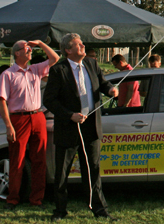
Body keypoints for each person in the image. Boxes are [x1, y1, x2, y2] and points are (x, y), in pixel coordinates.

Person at [43, 33, 119, 221]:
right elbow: (49, 100)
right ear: (68, 50)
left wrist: (110, 89)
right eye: (78, 44)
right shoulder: (58, 69)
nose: (83, 46)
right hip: (69, 127)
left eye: (82, 43)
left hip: (91, 127)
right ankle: (60, 210)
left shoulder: (92, 64)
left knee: (93, 169)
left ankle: (99, 210)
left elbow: (102, 83)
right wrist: (70, 115)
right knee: (62, 172)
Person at [0, 39, 59, 209]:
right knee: (17, 159)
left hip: (37, 116)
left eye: (31, 49)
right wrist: (9, 125)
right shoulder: (8, 74)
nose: (30, 51)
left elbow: (54, 58)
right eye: (27, 49)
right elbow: (2, 101)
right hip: (19, 118)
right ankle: (13, 198)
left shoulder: (35, 69)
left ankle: (37, 199)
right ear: (17, 53)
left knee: (40, 158)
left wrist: (40, 43)